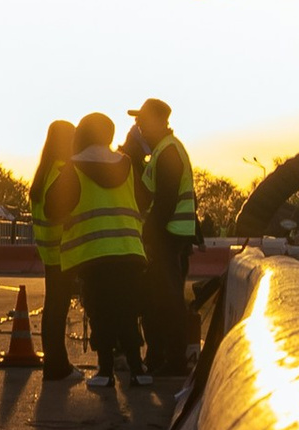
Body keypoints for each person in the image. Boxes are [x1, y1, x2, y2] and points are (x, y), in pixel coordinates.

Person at [46, 113, 148, 390]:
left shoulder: (74, 168)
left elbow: (51, 207)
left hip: (94, 254)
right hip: (129, 250)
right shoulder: (126, 164)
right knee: (127, 310)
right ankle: (138, 369)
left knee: (102, 311)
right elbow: (144, 199)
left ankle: (105, 370)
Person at [124, 97, 198, 374]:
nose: (138, 125)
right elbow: (145, 196)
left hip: (168, 237)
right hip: (166, 237)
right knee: (155, 300)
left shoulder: (168, 153)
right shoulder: (160, 152)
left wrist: (149, 237)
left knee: (167, 301)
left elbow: (164, 203)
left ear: (157, 121)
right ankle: (157, 357)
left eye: (142, 120)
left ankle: (173, 361)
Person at [30, 118, 79, 381]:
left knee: (53, 309)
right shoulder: (63, 170)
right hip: (63, 250)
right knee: (58, 311)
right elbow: (55, 210)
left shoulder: (44, 171)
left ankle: (54, 364)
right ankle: (58, 367)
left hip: (49, 250)